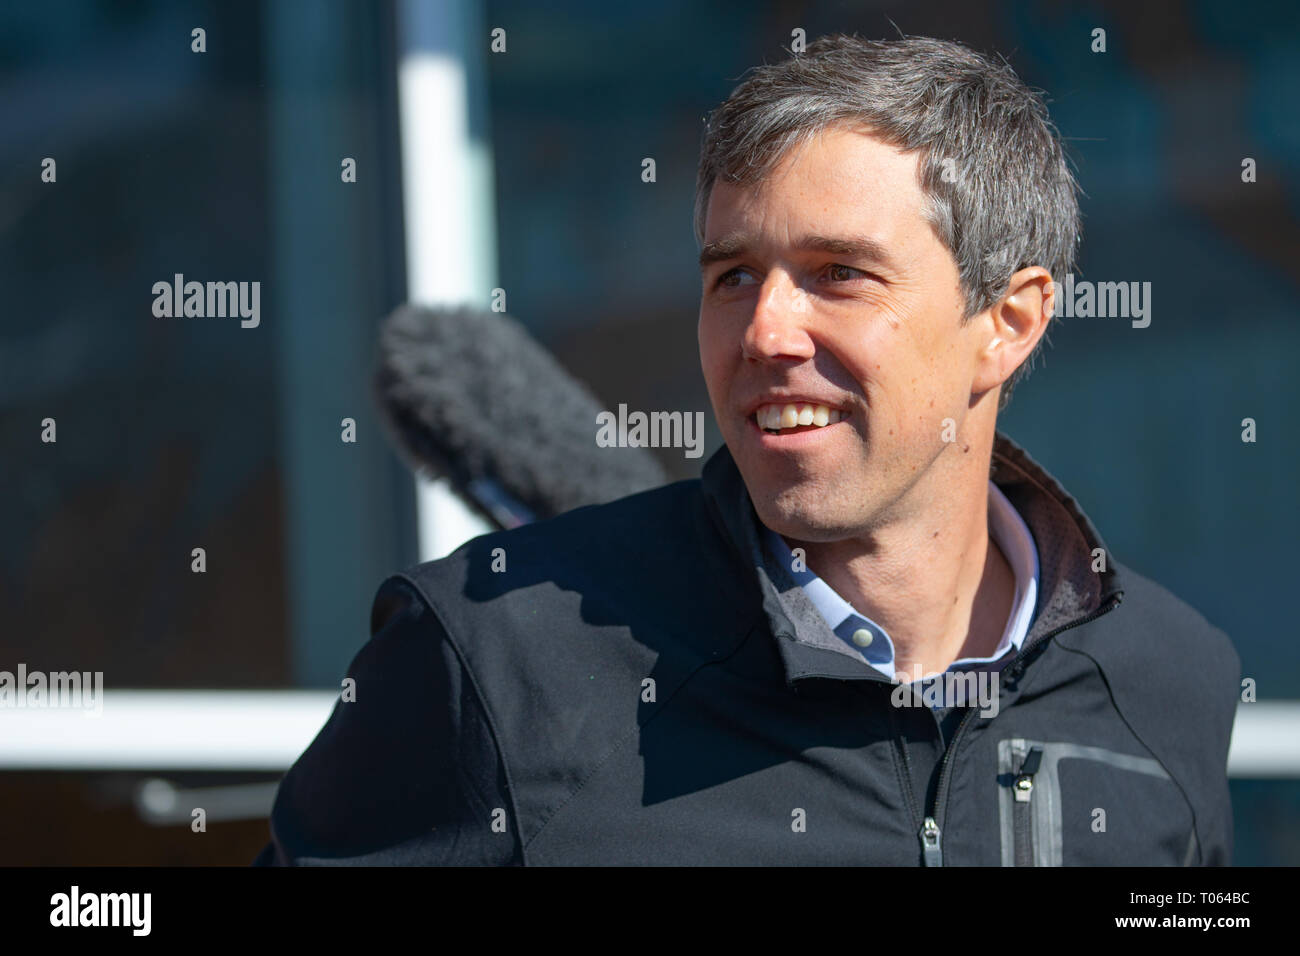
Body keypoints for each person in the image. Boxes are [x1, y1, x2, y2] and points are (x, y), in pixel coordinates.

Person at [254, 34, 1239, 866]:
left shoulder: (1167, 679)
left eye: (837, 273)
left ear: (1008, 321)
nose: (764, 332)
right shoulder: (494, 653)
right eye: (733, 275)